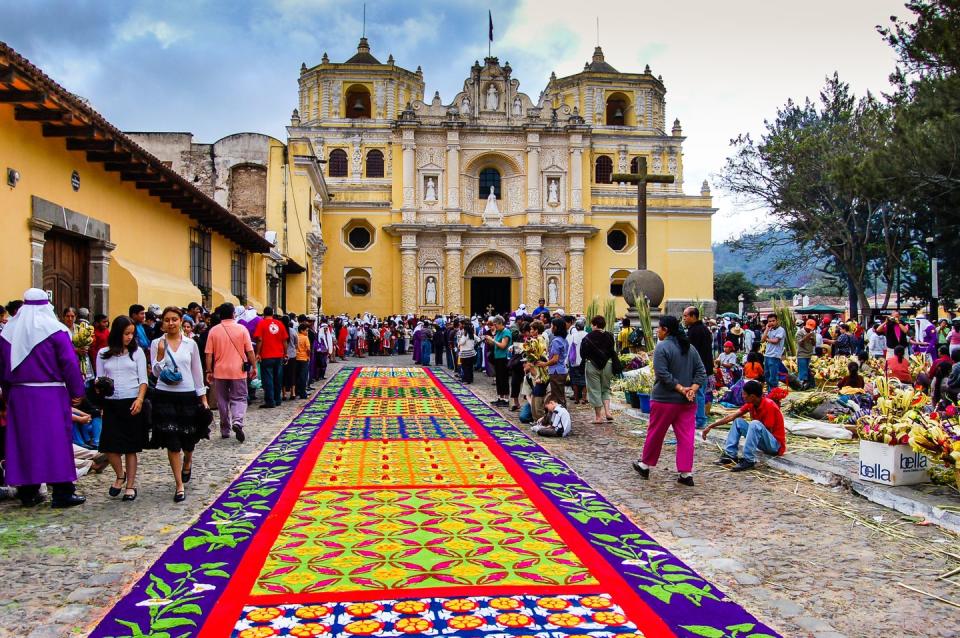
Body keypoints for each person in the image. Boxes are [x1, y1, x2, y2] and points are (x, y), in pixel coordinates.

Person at [0, 288, 87, 508]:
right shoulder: (55, 330)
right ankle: (62, 492)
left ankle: (28, 492)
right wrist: (77, 391)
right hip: (50, 395)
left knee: (25, 443)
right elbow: (69, 363)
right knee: (55, 443)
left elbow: (2, 369)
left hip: (20, 395)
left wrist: (8, 395)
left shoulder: (8, 332)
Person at [632, 315, 706, 486]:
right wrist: (691, 390)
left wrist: (681, 389)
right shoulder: (690, 348)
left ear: (666, 329)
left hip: (664, 400)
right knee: (686, 437)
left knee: (656, 433)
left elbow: (663, 374)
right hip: (686, 403)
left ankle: (645, 465)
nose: (657, 331)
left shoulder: (662, 347)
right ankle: (686, 473)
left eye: (659, 328)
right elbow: (701, 372)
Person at [151, 307, 209, 503]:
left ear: (180, 321)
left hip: (187, 395)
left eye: (174, 319)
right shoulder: (156, 343)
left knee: (189, 438)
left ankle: (188, 460)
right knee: (172, 441)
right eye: (167, 320)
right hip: (165, 396)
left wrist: (203, 398)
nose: (171, 323)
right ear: (162, 323)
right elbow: (156, 373)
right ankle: (179, 485)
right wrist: (159, 355)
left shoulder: (190, 344)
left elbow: (196, 371)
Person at [96, 315, 148, 501]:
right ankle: (120, 474)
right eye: (126, 333)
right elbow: (99, 379)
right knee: (109, 445)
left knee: (130, 447)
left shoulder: (137, 353)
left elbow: (143, 379)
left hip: (131, 401)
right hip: (111, 402)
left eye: (132, 334)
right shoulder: (103, 353)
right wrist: (100, 394)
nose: (129, 337)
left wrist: (140, 399)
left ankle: (130, 485)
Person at [701, 379, 786, 472]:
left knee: (755, 424)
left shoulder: (769, 406)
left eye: (744, 394)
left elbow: (767, 430)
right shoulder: (751, 404)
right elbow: (731, 416)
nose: (742, 396)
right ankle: (730, 455)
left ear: (752, 396)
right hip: (764, 441)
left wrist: (752, 435)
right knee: (738, 421)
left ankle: (749, 460)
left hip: (774, 446)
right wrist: (711, 426)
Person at [205, 303, 257, 442]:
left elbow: (209, 354)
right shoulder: (242, 329)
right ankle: (237, 421)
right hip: (238, 370)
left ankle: (225, 428)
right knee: (239, 397)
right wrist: (254, 366)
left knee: (222, 400)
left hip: (220, 370)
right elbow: (249, 350)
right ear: (234, 314)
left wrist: (209, 370)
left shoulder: (214, 331)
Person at [580, 315, 616, 424]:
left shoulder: (588, 337)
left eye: (592, 324)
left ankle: (598, 417)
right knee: (605, 388)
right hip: (608, 365)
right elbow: (612, 351)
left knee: (594, 390)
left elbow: (583, 353)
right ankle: (608, 412)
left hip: (592, 365)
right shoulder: (610, 336)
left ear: (595, 325)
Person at [683, 306, 714, 429]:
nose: (684, 318)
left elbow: (692, 352)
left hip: (699, 368)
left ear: (693, 317)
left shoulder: (695, 331)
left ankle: (700, 419)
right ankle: (698, 418)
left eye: (686, 316)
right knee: (699, 393)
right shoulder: (704, 329)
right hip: (705, 366)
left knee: (698, 394)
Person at [253, 307, 288, 409]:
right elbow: (284, 340)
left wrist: (258, 353)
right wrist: (285, 353)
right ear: (272, 313)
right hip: (279, 355)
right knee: (278, 378)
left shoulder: (262, 323)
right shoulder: (280, 324)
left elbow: (259, 339)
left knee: (267, 378)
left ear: (264, 314)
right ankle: (277, 399)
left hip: (267, 355)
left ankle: (270, 400)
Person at [539, 317, 569, 406]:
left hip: (556, 371)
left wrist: (544, 364)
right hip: (562, 370)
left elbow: (555, 359)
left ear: (556, 327)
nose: (551, 328)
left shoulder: (556, 341)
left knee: (557, 397)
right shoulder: (564, 340)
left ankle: (561, 416)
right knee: (559, 395)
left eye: (552, 326)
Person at [484, 315, 512, 406]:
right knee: (499, 379)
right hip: (497, 357)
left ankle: (506, 400)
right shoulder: (499, 332)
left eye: (496, 325)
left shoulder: (506, 332)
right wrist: (489, 341)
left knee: (504, 378)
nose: (494, 327)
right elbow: (495, 344)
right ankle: (500, 397)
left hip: (504, 358)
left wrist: (493, 340)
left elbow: (503, 345)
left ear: (500, 323)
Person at [761, 313, 786, 389]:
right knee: (767, 375)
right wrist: (766, 329)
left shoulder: (781, 330)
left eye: (773, 321)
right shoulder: (769, 329)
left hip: (775, 356)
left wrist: (767, 339)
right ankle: (770, 393)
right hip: (767, 355)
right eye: (769, 321)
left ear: (777, 321)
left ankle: (774, 394)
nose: (771, 323)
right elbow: (762, 340)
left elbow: (776, 341)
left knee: (773, 377)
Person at [568, 318, 587, 404]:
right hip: (585, 361)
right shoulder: (587, 335)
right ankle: (584, 398)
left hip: (574, 361)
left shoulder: (573, 336)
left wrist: (567, 362)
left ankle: (576, 399)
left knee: (575, 381)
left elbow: (569, 350)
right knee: (584, 380)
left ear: (576, 327)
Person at [796, 319, 817, 389]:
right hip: (801, 354)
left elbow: (814, 344)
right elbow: (800, 343)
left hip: (809, 354)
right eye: (808, 328)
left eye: (810, 329)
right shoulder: (799, 333)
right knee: (802, 370)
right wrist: (806, 337)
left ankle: (810, 384)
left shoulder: (812, 333)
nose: (809, 330)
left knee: (806, 369)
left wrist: (812, 339)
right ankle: (802, 385)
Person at [295, 323, 310, 399]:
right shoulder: (305, 338)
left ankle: (297, 391)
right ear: (302, 330)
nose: (307, 332)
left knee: (297, 376)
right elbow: (308, 349)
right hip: (304, 358)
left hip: (296, 358)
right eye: (306, 330)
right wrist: (308, 356)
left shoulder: (296, 336)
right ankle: (303, 393)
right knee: (303, 377)